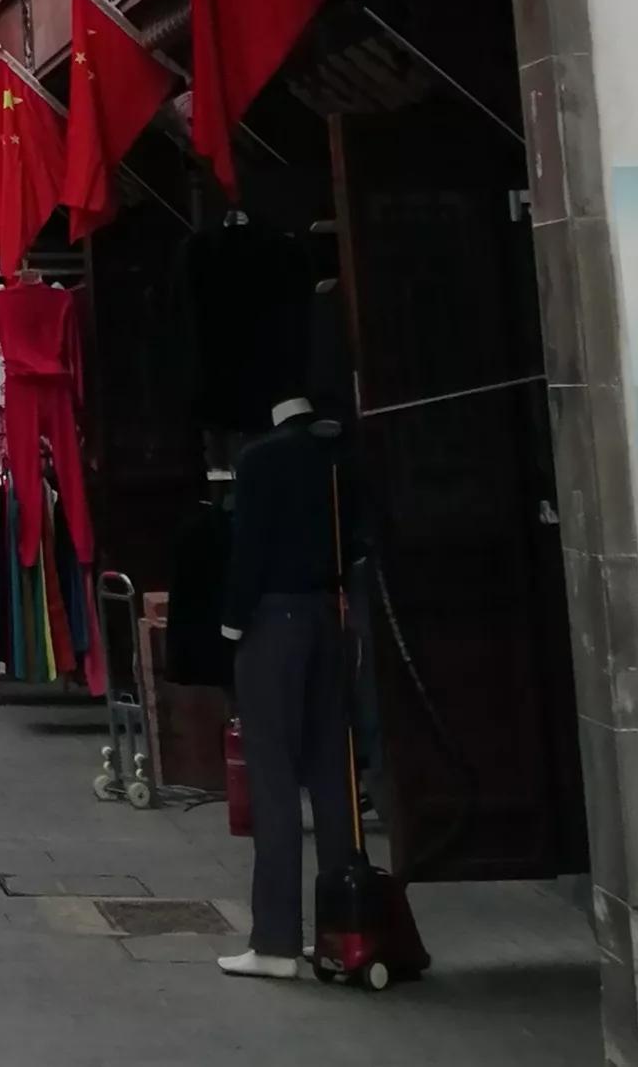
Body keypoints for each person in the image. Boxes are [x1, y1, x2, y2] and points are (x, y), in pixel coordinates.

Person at [218, 394, 364, 982]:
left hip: (274, 618)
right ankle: (344, 930)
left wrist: (232, 620)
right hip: (330, 613)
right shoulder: (340, 455)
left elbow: (248, 548)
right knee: (332, 773)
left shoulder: (261, 460)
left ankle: (276, 940)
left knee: (273, 776)